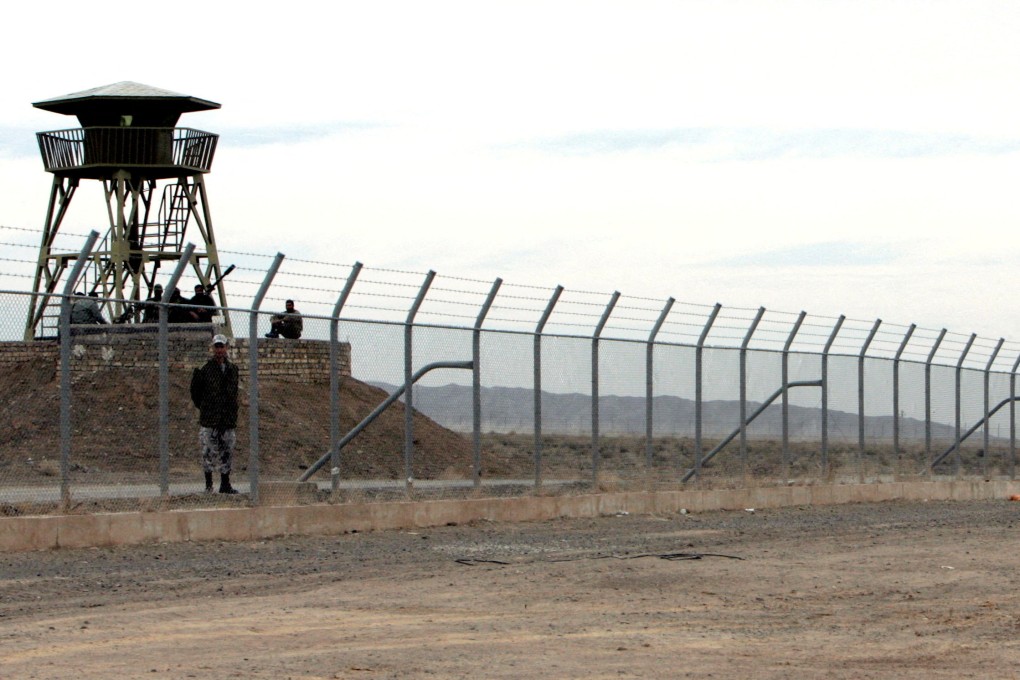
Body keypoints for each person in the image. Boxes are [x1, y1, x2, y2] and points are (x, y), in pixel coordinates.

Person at [189, 334, 240, 494]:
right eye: (217, 347)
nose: (219, 350)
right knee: (208, 452)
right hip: (210, 419)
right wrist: (205, 407)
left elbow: (234, 392)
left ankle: (225, 484)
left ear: (226, 348)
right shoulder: (204, 369)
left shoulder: (232, 369)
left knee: (227, 451)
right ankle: (209, 485)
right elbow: (195, 393)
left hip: (227, 419)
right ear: (213, 348)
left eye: (222, 347)